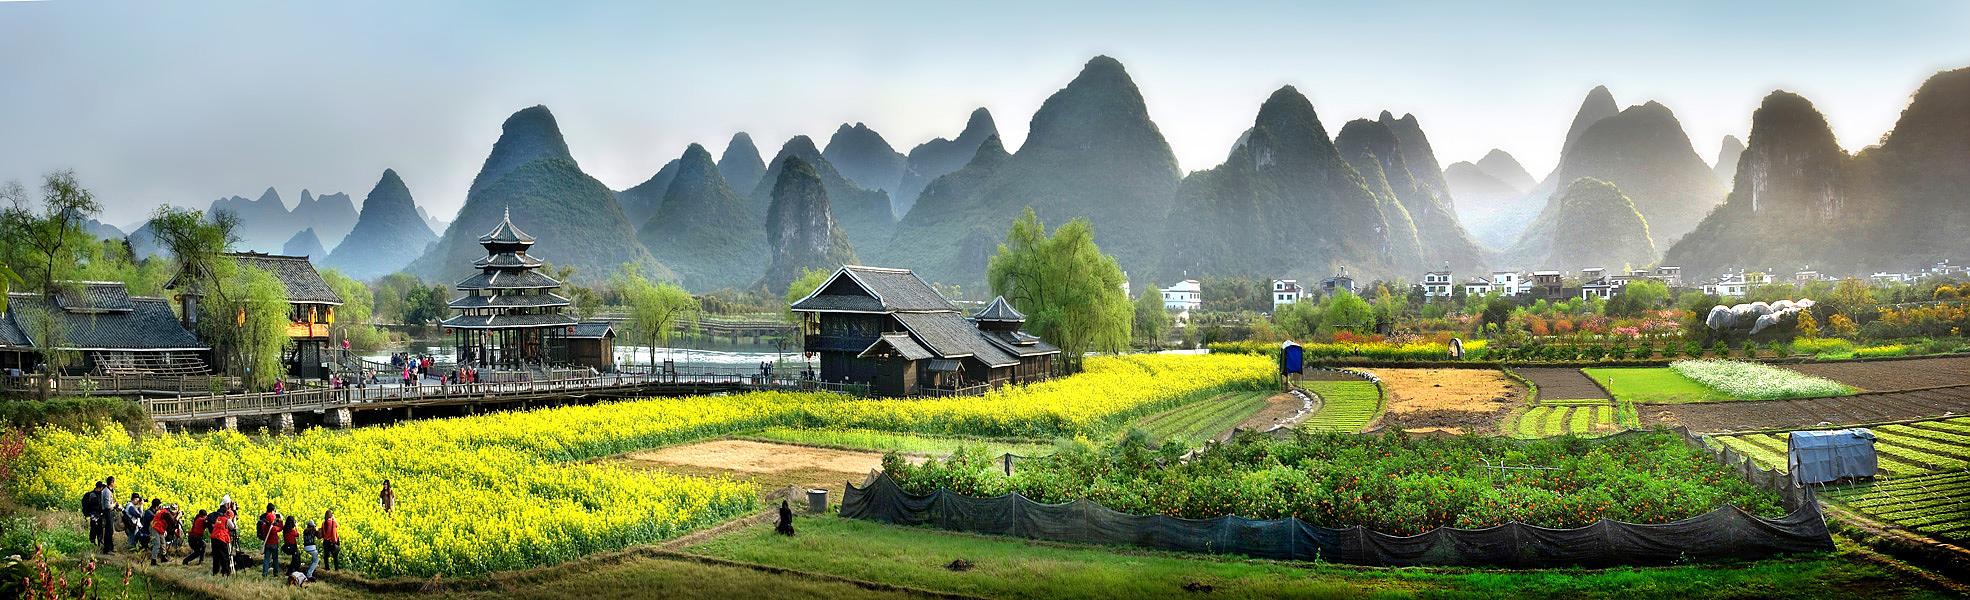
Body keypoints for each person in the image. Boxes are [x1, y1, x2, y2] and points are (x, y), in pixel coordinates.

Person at [209, 504, 235, 576]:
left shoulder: (218, 518)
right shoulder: (227, 519)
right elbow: (232, 527)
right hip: (221, 538)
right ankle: (226, 571)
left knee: (216, 556)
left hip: (214, 538)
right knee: (224, 556)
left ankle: (215, 572)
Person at [260, 509, 283, 577]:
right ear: (273, 520)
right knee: (275, 559)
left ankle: (264, 573)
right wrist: (281, 520)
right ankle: (275, 573)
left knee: (266, 559)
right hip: (274, 545)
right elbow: (280, 528)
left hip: (267, 544)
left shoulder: (264, 526)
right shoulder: (273, 528)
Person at [82, 481, 104, 550]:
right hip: (94, 514)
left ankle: (99, 543)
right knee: (94, 528)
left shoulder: (98, 494)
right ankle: (92, 542)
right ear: (99, 488)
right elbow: (95, 505)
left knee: (100, 529)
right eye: (102, 488)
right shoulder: (92, 495)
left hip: (99, 515)